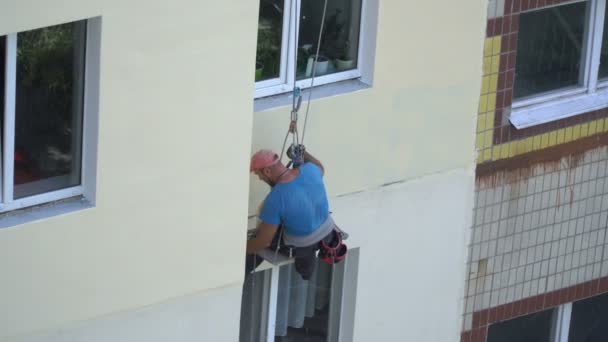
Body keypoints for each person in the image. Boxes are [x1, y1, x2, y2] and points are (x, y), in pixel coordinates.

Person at [246, 147, 343, 279]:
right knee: (305, 256)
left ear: (267, 171)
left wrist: (241, 249)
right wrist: (303, 153)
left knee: (258, 243)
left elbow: (264, 242)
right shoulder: (311, 170)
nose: (260, 178)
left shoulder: (275, 199)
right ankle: (306, 271)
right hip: (328, 230)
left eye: (259, 174)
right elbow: (321, 167)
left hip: (303, 243)